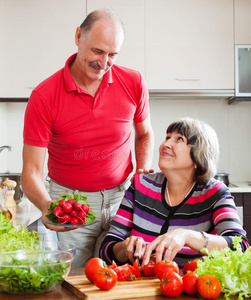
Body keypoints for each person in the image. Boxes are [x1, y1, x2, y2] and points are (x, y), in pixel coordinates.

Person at [21, 9, 154, 268]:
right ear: (78, 36)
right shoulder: (44, 96)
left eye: (112, 55)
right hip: (70, 205)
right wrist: (49, 208)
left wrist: (141, 170)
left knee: (119, 280)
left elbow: (145, 133)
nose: (103, 63)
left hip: (121, 201)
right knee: (74, 284)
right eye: (97, 51)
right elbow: (31, 172)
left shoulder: (134, 82)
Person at [99, 117, 249, 268]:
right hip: (140, 286)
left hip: (192, 287)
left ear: (199, 155)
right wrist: (125, 247)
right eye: (167, 137)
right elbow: (106, 250)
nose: (166, 144)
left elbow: (240, 247)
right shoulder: (141, 185)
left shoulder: (215, 192)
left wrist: (188, 236)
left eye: (179, 139)